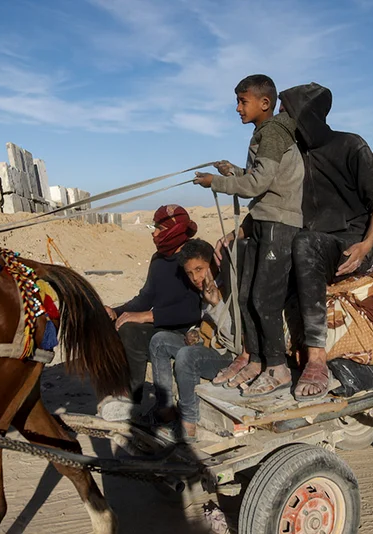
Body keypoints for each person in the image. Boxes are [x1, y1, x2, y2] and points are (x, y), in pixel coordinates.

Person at [278, 82, 373, 400]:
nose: (280, 120)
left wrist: (366, 245)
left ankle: (317, 360)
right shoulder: (293, 157)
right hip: (308, 241)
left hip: (348, 247)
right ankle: (258, 355)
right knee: (257, 247)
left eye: (286, 113)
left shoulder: (350, 145)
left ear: (307, 115)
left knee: (305, 244)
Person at [193, 74, 304, 396]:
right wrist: (233, 172)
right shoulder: (265, 133)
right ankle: (255, 359)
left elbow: (257, 186)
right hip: (263, 220)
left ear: (264, 103)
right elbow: (262, 178)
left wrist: (216, 183)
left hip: (279, 222)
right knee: (243, 296)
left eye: (243, 101)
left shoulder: (272, 133)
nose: (238, 108)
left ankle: (278, 367)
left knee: (264, 299)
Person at [105, 204, 202, 412]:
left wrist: (147, 316)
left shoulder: (194, 258)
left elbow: (193, 309)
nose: (154, 234)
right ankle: (122, 391)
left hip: (187, 331)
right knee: (117, 325)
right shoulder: (159, 259)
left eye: (159, 228)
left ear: (173, 230)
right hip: (161, 323)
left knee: (130, 330)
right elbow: (144, 297)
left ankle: (132, 398)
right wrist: (117, 312)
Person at [147, 239, 241, 441]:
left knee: (187, 355)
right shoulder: (204, 288)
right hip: (207, 347)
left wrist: (216, 304)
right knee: (160, 341)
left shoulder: (230, 288)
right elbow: (206, 325)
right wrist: (194, 332)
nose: (195, 277)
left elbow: (235, 341)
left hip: (229, 358)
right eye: (190, 273)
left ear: (212, 264)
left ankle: (188, 423)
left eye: (199, 269)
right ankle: (165, 409)